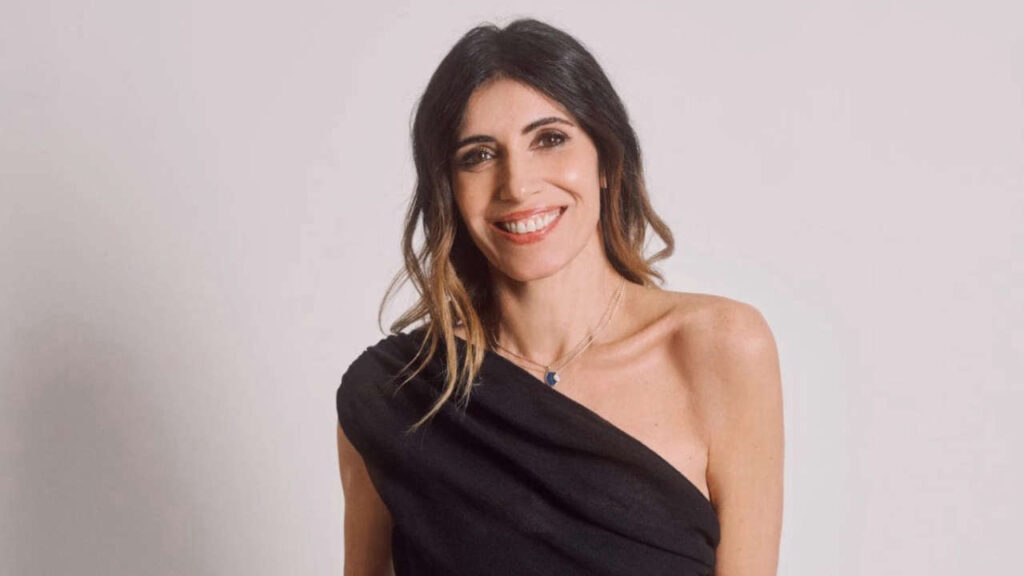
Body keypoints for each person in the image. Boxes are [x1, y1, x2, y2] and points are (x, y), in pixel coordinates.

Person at [336, 17, 783, 576]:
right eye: (479, 154)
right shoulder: (393, 393)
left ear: (606, 160)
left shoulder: (721, 349)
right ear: (448, 188)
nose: (517, 185)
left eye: (549, 139)